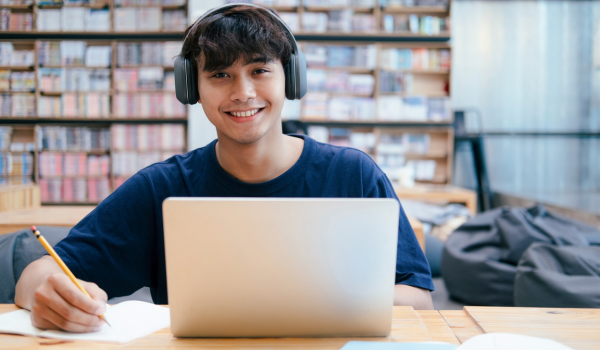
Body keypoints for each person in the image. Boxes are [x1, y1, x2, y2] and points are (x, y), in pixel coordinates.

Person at [15, 4, 434, 333]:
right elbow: (38, 274)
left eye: (259, 70)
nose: (243, 93)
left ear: (290, 79)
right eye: (220, 74)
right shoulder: (164, 188)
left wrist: (310, 304)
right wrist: (47, 294)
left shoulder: (352, 175)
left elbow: (419, 301)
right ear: (191, 87)